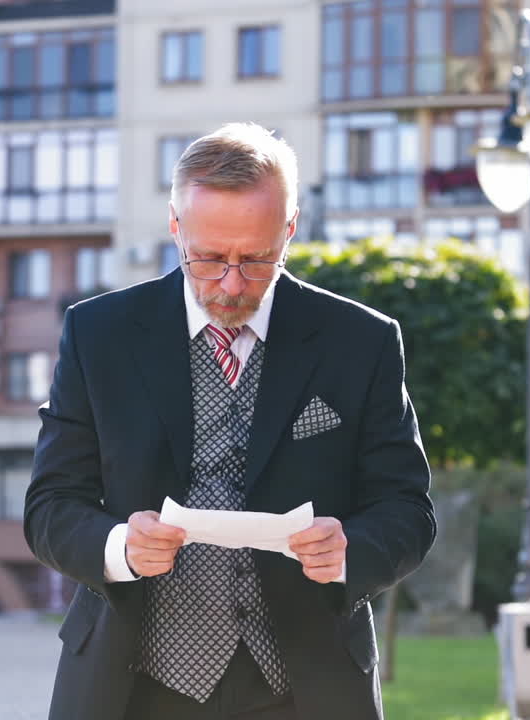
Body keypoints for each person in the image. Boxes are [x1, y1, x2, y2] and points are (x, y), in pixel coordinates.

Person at [26, 123, 435, 720]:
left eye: (257, 258)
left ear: (290, 229)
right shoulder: (98, 335)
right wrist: (120, 546)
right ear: (175, 226)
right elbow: (50, 506)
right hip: (131, 688)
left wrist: (351, 551)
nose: (233, 284)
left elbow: (408, 510)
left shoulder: (363, 342)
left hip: (308, 690)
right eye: (210, 258)